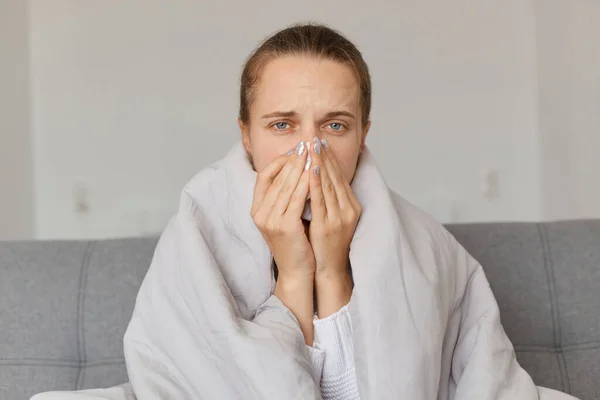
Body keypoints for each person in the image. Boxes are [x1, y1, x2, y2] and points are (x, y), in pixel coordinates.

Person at [32, 23, 578, 400]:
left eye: (334, 125)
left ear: (364, 135)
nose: (308, 150)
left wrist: (332, 268)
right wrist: (293, 271)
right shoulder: (197, 226)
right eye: (282, 125)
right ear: (245, 134)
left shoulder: (423, 241)